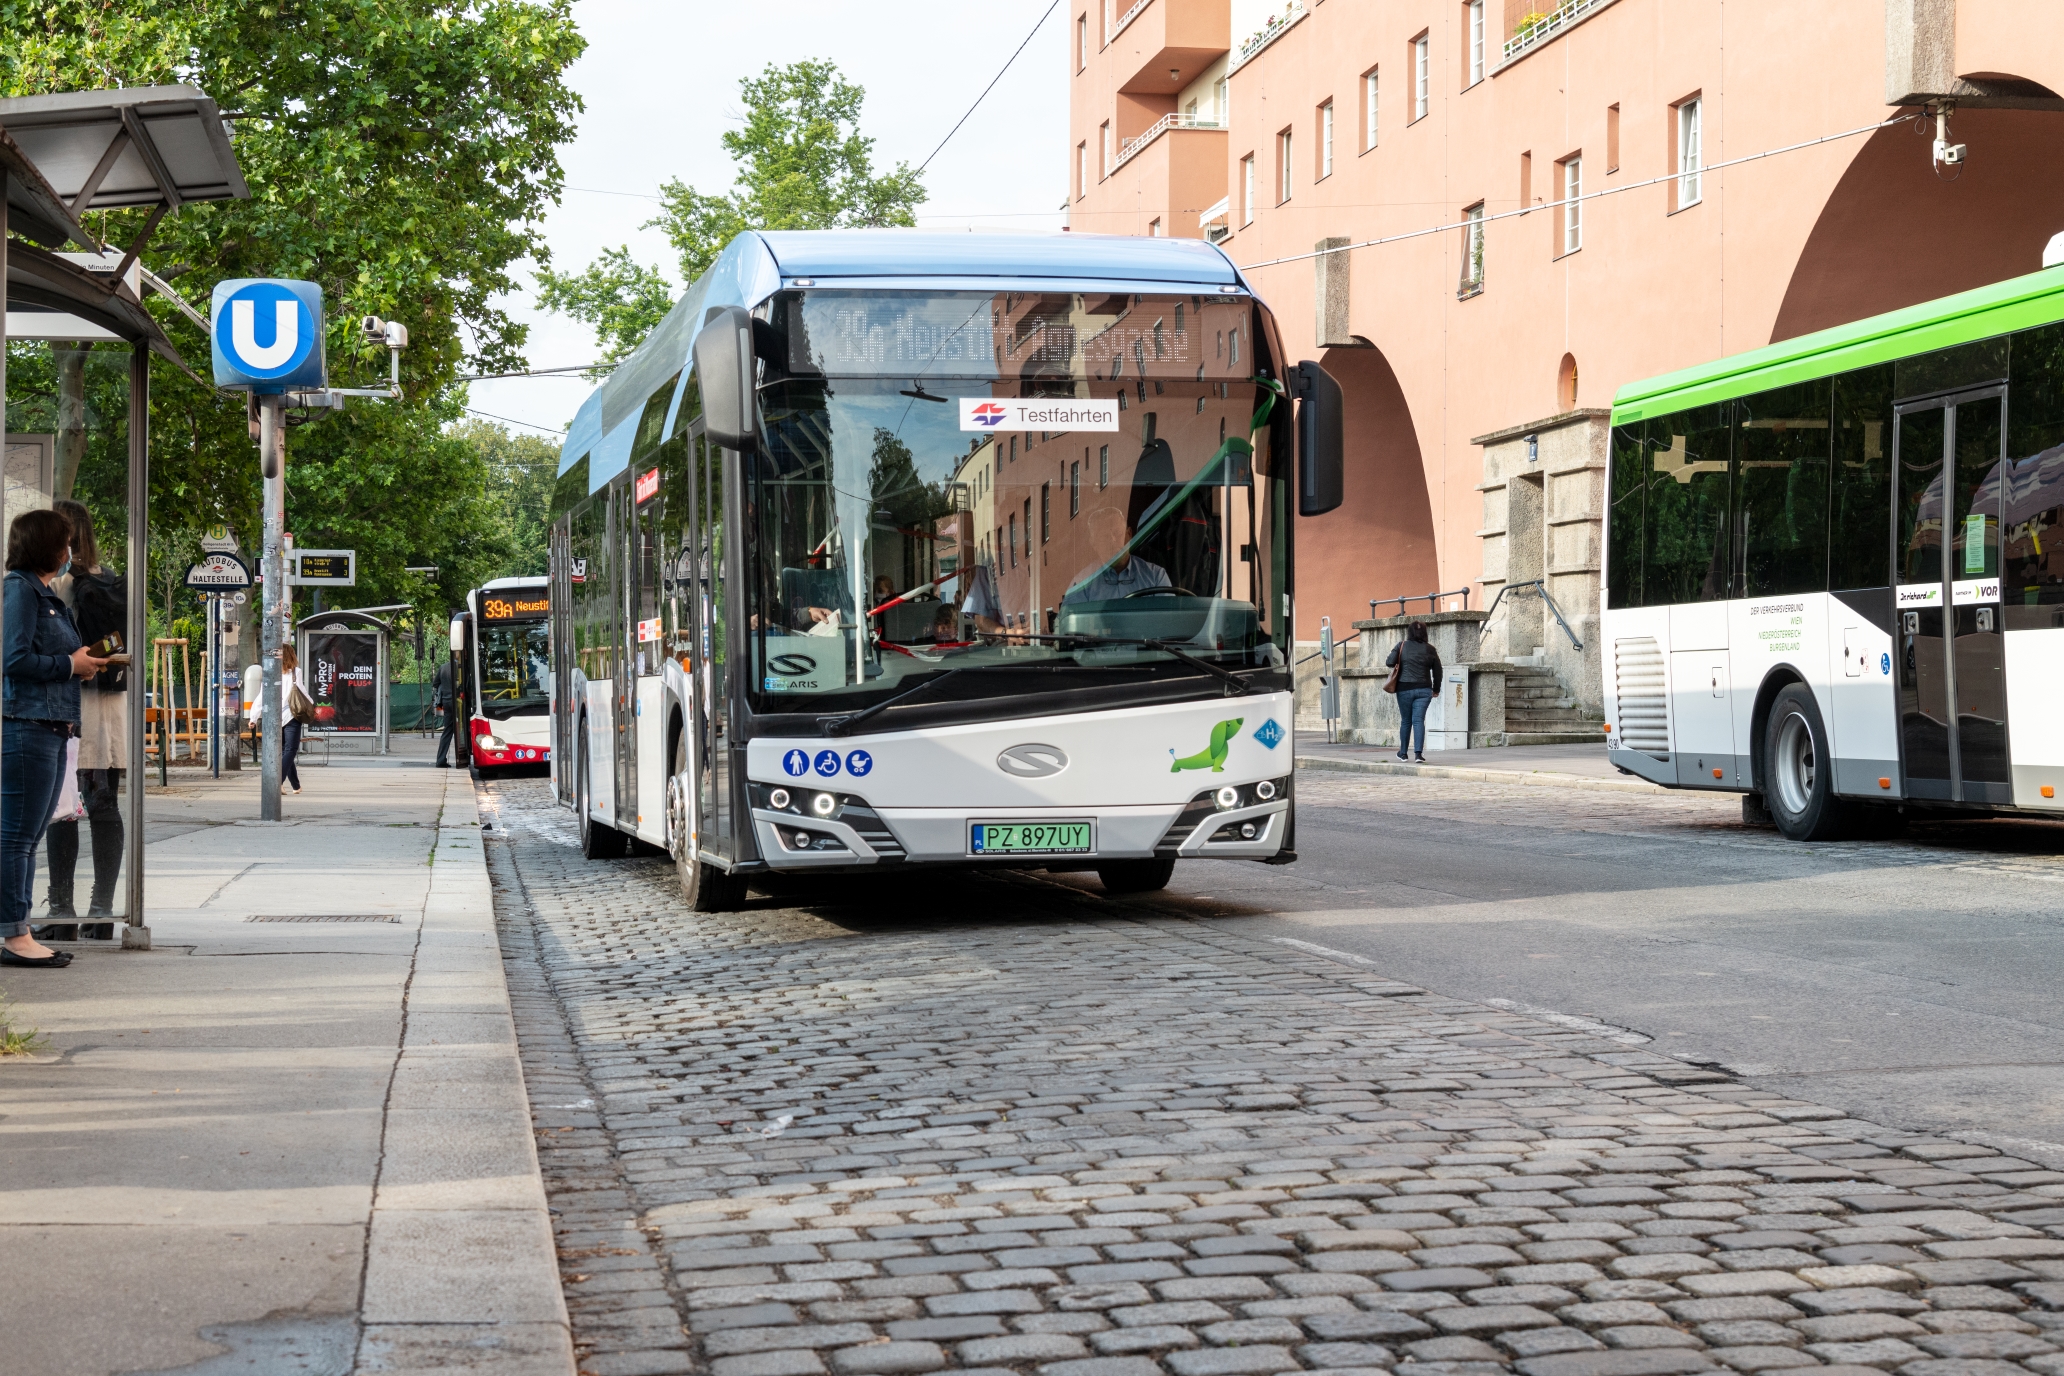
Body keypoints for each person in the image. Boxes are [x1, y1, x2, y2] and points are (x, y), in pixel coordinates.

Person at [3, 508, 107, 968]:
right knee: (17, 837)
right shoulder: (20, 592)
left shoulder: (41, 594)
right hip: (26, 724)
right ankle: (15, 934)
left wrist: (81, 662)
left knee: (25, 835)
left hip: (48, 725)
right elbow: (13, 658)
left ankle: (18, 930)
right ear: (47, 546)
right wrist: (70, 665)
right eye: (65, 543)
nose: (70, 551)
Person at [42, 499, 126, 940]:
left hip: (69, 702)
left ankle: (61, 912)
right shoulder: (109, 578)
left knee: (64, 810)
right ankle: (104, 910)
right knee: (104, 803)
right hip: (110, 706)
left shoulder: (59, 586)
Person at [1061, 506, 1170, 605]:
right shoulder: (1081, 585)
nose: (1113, 540)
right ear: (1093, 543)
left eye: (1118, 533)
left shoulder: (1156, 577)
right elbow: (1073, 625)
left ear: (1129, 534)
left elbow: (1168, 620)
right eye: (1105, 537)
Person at [241, 645, 309, 792]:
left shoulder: (270, 673)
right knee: (290, 749)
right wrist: (312, 706)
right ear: (291, 655)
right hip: (292, 715)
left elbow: (262, 696)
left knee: (286, 750)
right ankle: (278, 782)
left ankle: (296, 786)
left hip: (274, 717)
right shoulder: (296, 672)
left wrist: (254, 717)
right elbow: (302, 691)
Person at [1385, 621, 1443, 763]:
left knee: (1406, 721)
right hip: (1424, 689)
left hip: (1404, 689)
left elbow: (1389, 662)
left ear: (1409, 632)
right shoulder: (1430, 649)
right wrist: (1436, 689)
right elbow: (1438, 671)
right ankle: (1418, 754)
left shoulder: (1401, 645)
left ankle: (1403, 753)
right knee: (1418, 721)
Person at [432, 657, 456, 767]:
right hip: (459, 702)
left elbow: (435, 683)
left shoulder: (443, 667)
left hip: (446, 702)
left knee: (447, 731)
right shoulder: (461, 667)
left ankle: (440, 759)